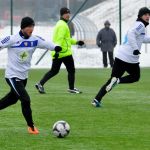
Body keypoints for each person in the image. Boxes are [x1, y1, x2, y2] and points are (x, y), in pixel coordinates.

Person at [0, 16, 61, 134]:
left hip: (24, 77)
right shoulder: (12, 39)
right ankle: (31, 127)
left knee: (12, 99)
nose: (31, 29)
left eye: (32, 26)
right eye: (29, 26)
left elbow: (46, 43)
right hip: (12, 76)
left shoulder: (34, 39)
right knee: (25, 100)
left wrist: (56, 47)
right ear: (23, 27)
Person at [92, 7, 150, 107]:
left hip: (120, 56)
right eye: (145, 14)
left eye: (149, 14)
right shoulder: (141, 25)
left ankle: (96, 99)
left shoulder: (137, 25)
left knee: (111, 80)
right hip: (130, 58)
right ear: (141, 16)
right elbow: (131, 34)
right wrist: (135, 49)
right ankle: (118, 80)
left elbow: (141, 38)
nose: (148, 16)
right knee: (135, 77)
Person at [35, 7, 84, 94]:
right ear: (62, 14)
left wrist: (76, 42)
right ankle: (71, 88)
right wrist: (57, 50)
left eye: (69, 13)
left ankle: (40, 84)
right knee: (71, 70)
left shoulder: (61, 24)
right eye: (66, 13)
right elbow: (59, 39)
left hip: (60, 52)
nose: (68, 15)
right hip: (64, 52)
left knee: (54, 71)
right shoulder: (62, 25)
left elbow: (67, 39)